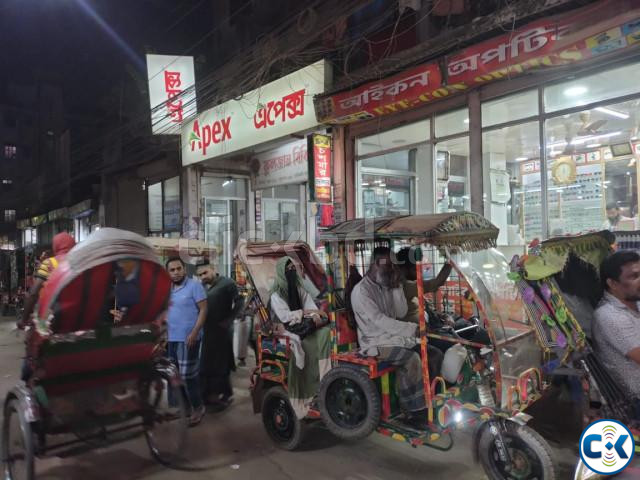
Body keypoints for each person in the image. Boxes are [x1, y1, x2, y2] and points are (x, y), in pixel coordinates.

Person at [350, 247, 428, 428]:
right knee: (412, 359)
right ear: (377, 263)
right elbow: (380, 321)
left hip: (393, 336)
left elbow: (400, 312)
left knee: (431, 351)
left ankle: (429, 398)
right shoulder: (361, 292)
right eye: (389, 265)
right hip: (374, 342)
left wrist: (397, 287)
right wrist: (411, 329)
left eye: (394, 266)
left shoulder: (386, 284)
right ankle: (413, 411)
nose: (393, 270)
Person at [270, 256, 331, 419]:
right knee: (301, 345)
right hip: (285, 330)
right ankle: (305, 394)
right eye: (287, 270)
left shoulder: (299, 288)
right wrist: (305, 313)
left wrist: (314, 315)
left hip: (303, 327)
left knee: (326, 333)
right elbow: (284, 317)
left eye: (292, 269)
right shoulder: (276, 294)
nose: (291, 272)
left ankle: (325, 380)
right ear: (281, 272)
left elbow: (311, 306)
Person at [593, 250, 640, 415]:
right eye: (634, 276)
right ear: (613, 284)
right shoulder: (609, 316)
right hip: (634, 400)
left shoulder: (634, 302)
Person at [166, 257, 208, 426]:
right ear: (168, 273)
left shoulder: (194, 286)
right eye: (172, 270)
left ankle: (198, 408)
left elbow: (204, 310)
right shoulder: (168, 290)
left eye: (178, 269)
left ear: (184, 269)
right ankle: (184, 408)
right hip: (171, 338)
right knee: (175, 377)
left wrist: (195, 332)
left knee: (188, 376)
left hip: (189, 338)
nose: (176, 273)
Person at [196, 261, 241, 409]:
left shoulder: (227, 283)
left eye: (205, 273)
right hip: (207, 331)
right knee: (207, 364)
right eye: (200, 275)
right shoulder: (202, 286)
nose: (203, 276)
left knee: (221, 365)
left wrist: (229, 320)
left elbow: (240, 302)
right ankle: (208, 395)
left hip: (221, 331)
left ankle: (224, 396)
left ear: (213, 269)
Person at [19, 233, 75, 329]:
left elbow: (33, 293)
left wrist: (24, 319)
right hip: (78, 314)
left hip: (54, 317)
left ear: (55, 246)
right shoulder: (81, 261)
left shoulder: (49, 263)